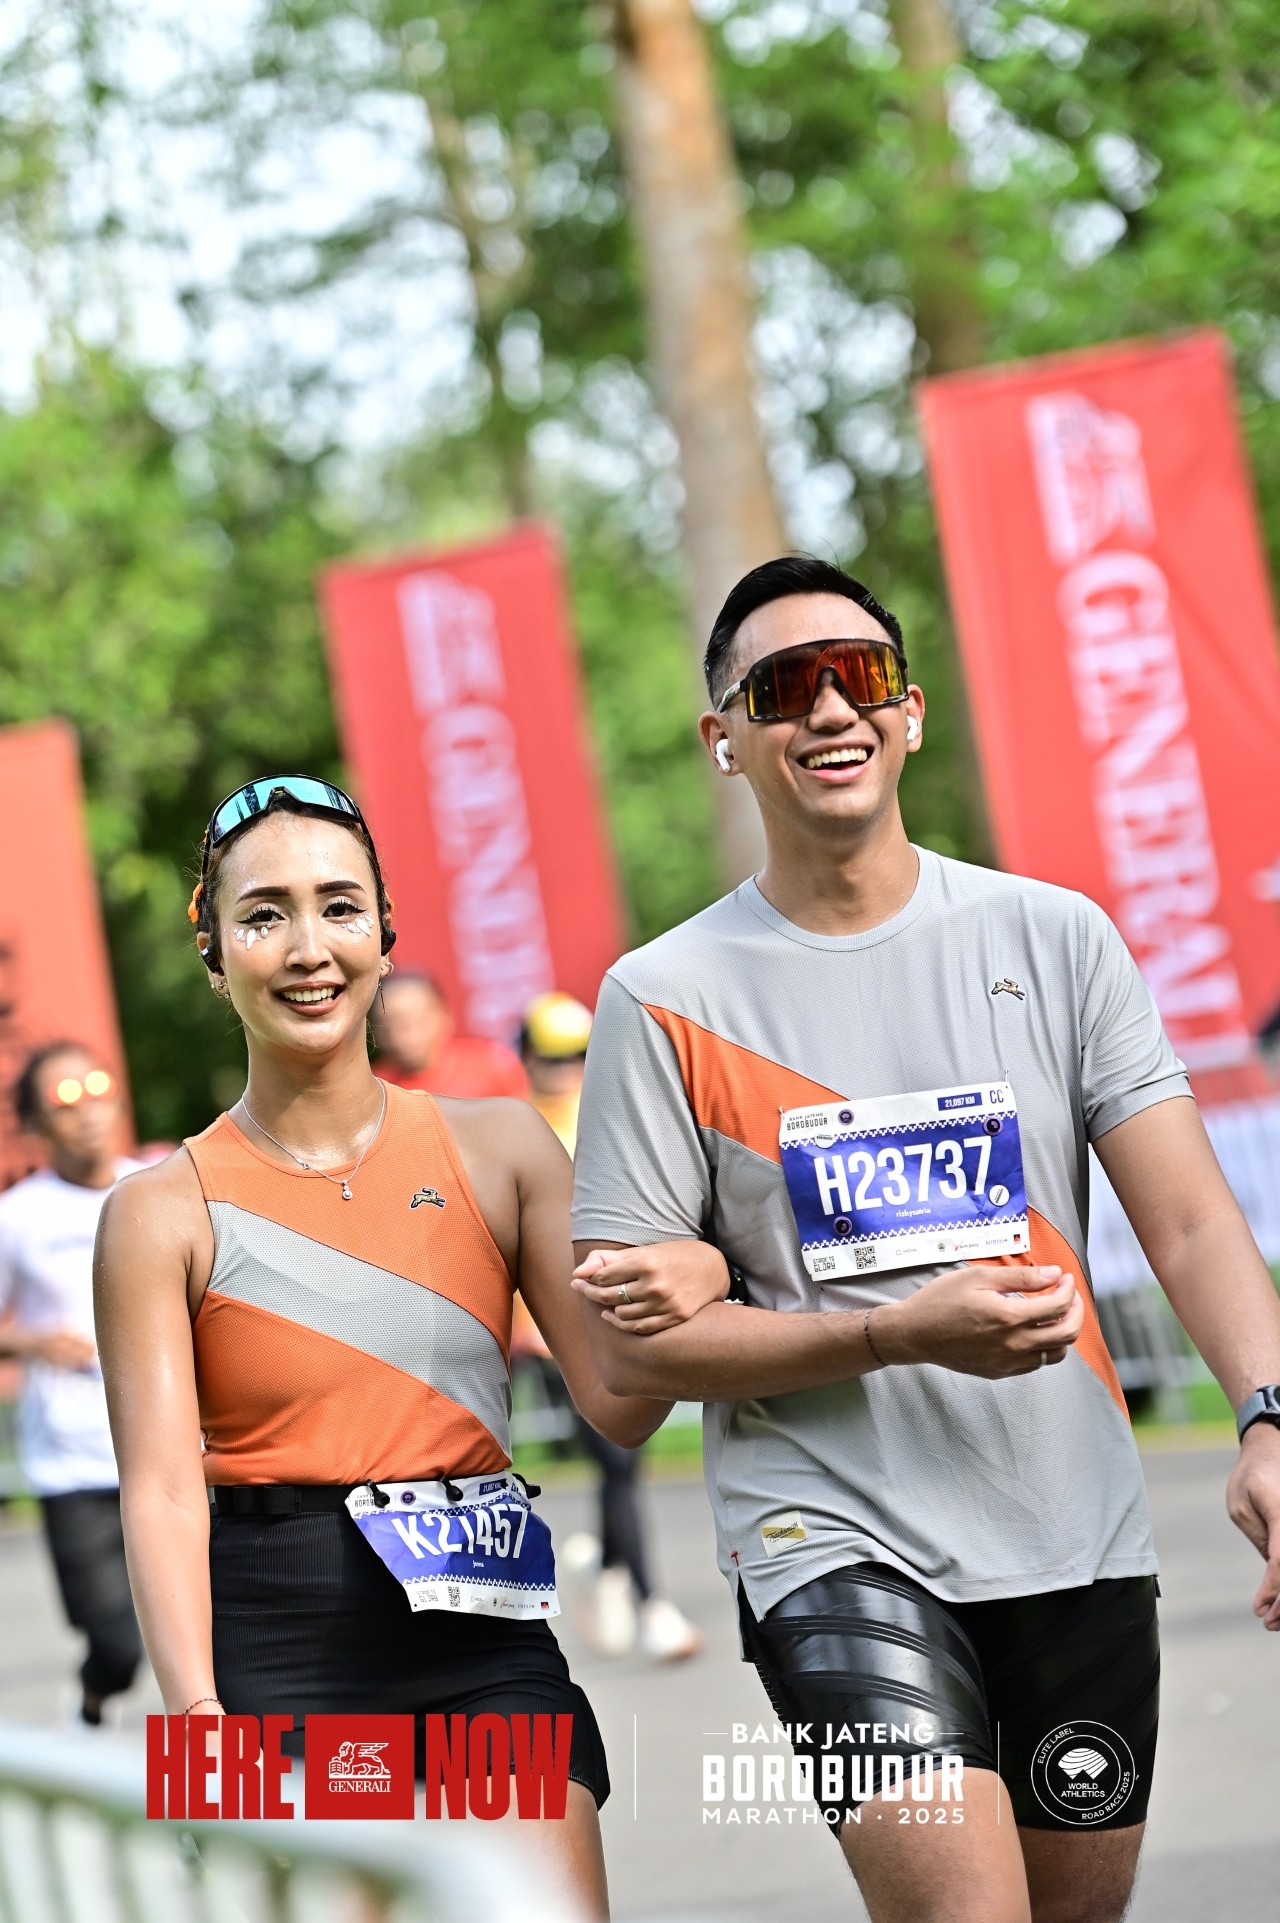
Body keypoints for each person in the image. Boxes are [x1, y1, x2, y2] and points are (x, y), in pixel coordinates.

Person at [569, 557, 1280, 1923]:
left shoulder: (1054, 936)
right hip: (824, 1537)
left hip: (1069, 1527)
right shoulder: (660, 999)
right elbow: (627, 1358)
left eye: (863, 675)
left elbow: (1190, 1219)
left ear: (910, 712)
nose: (830, 707)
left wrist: (1266, 1414)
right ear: (723, 738)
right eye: (784, 687)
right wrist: (894, 1332)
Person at [94, 775, 725, 1917]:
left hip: (486, 1649)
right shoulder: (157, 1210)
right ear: (213, 948)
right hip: (273, 1664)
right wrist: (194, 1729)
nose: (308, 948)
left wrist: (703, 1271)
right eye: (264, 914)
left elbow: (621, 1403)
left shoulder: (503, 1148)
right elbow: (161, 1490)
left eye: (339, 907)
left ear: (385, 933)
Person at [517, 993, 702, 1663]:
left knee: (621, 1460)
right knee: (615, 1460)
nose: (565, 1067)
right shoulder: (520, 1127)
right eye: (551, 1055)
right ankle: (646, 1599)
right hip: (546, 1329)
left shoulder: (609, 1114)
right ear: (526, 1057)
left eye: (577, 1054)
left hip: (615, 1313)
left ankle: (613, 1569)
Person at [0, 1043, 143, 1727]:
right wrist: (32, 1342)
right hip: (72, 1464)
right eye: (63, 1099)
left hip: (170, 1452)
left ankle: (226, 1779)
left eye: (97, 1087)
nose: (86, 1110)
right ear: (35, 1123)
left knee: (222, 1635)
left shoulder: (156, 1187)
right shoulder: (18, 1217)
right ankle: (89, 1703)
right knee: (117, 1645)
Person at [372, 968, 528, 1099]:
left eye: (419, 1020)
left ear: (445, 1016)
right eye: (393, 1025)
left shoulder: (493, 1063)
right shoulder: (377, 1090)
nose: (410, 1034)